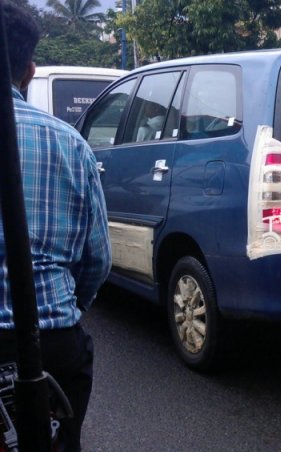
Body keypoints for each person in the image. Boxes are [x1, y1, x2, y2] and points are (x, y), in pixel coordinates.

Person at [0, 3, 111, 451]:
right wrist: (64, 311)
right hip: (53, 346)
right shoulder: (70, 143)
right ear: (28, 71)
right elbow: (97, 260)